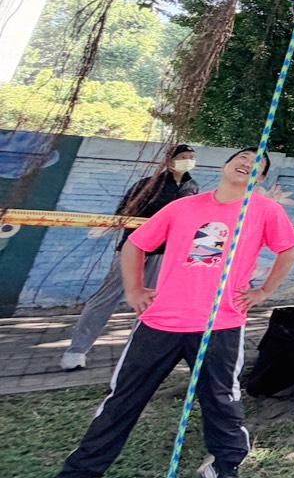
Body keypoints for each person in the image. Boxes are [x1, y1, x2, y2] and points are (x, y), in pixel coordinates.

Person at [53, 148, 294, 478]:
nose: (248, 163)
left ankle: (225, 466)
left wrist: (264, 291)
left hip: (220, 324)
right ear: (227, 165)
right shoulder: (183, 207)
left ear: (260, 179)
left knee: (222, 399)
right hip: (161, 323)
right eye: (242, 157)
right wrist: (135, 289)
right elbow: (135, 245)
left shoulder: (265, 211)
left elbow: (289, 249)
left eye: (258, 163)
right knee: (122, 400)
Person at [60, 144, 200, 371]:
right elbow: (124, 212)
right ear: (169, 160)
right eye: (183, 157)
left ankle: (133, 356)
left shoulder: (191, 187)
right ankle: (76, 350)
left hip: (165, 252)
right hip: (135, 249)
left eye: (191, 157)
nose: (188, 161)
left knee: (150, 303)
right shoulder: (148, 185)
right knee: (107, 297)